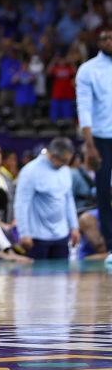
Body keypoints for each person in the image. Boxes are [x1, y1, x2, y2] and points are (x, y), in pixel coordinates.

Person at [76, 29, 112, 262]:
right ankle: (110, 244)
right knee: (103, 192)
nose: (109, 41)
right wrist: (89, 146)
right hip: (101, 138)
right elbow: (84, 109)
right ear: (98, 42)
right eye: (105, 38)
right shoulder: (88, 69)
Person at [15, 138, 81, 261]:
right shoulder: (30, 171)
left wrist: (74, 227)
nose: (66, 164)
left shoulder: (65, 170)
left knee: (62, 278)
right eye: (64, 161)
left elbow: (68, 200)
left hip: (61, 235)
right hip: (38, 237)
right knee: (38, 279)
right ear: (52, 156)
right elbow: (21, 204)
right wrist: (24, 233)